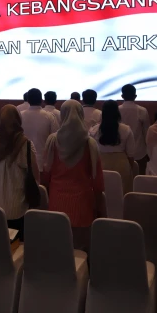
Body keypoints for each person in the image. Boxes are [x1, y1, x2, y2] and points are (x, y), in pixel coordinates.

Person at [42, 100, 106, 251]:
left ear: (62, 115)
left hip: (57, 201)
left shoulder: (52, 141)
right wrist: (100, 206)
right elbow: (98, 181)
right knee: (80, 250)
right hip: (82, 204)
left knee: (58, 248)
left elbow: (46, 174)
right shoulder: (90, 143)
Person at [0, 105, 39, 241]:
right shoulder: (25, 144)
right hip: (17, 207)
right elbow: (35, 176)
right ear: (18, 121)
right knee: (17, 247)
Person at [89, 100, 135, 194]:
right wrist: (131, 169)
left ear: (103, 113)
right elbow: (131, 155)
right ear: (117, 112)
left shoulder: (93, 130)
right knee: (122, 194)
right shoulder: (126, 129)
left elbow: (91, 153)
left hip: (101, 165)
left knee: (103, 194)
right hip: (121, 165)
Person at [20, 88, 60, 170]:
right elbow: (55, 140)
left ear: (28, 100)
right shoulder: (49, 116)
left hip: (23, 161)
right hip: (43, 163)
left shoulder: (20, 116)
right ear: (42, 100)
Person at [119, 84, 150, 175]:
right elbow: (146, 133)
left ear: (122, 96)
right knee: (139, 179)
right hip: (139, 152)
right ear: (135, 96)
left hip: (122, 152)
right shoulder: (142, 110)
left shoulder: (117, 110)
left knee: (123, 179)